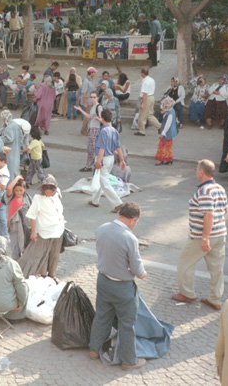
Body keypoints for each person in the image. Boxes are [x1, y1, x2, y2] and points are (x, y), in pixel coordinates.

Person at [88, 202, 147, 370]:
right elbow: (137, 269)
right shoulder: (129, 238)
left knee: (102, 316)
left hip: (103, 281)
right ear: (132, 219)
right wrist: (144, 274)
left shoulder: (102, 228)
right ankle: (129, 360)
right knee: (127, 324)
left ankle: (94, 349)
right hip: (122, 287)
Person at [172, 159, 228, 310]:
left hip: (201, 236)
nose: (196, 172)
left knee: (185, 261)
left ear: (201, 172)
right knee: (216, 268)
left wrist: (205, 238)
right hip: (220, 233)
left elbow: (208, 215)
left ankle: (187, 293)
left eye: (197, 169)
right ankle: (215, 298)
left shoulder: (204, 191)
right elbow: (224, 211)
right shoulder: (219, 188)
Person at [18, 174, 65, 279]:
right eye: (46, 190)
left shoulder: (57, 194)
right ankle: (43, 274)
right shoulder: (38, 197)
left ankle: (52, 274)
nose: (48, 192)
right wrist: (33, 232)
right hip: (44, 231)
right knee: (42, 254)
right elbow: (32, 215)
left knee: (55, 254)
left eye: (50, 190)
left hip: (58, 230)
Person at [88, 108, 126, 210]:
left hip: (103, 158)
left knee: (104, 182)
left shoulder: (103, 131)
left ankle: (117, 203)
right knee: (100, 179)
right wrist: (122, 160)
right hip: (111, 158)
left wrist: (98, 161)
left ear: (102, 118)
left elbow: (102, 148)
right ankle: (95, 200)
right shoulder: (114, 130)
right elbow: (118, 147)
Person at [3, 175, 32, 261]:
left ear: (24, 189)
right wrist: (17, 178)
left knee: (27, 249)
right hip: (14, 228)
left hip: (27, 227)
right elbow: (8, 189)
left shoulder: (28, 198)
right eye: (16, 190)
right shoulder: (11, 198)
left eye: (21, 190)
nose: (19, 192)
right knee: (15, 250)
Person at [75, 91, 103, 172]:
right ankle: (89, 165)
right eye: (91, 97)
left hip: (96, 129)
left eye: (94, 97)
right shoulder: (93, 107)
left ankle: (95, 165)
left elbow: (102, 119)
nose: (92, 99)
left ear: (97, 98)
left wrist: (98, 119)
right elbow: (89, 117)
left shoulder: (99, 107)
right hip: (92, 129)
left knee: (94, 148)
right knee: (90, 148)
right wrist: (80, 110)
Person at [134, 67, 161, 136]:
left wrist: (142, 103)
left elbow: (144, 93)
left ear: (142, 74)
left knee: (142, 115)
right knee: (149, 114)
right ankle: (160, 126)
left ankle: (142, 130)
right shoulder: (151, 80)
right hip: (152, 97)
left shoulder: (145, 82)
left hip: (147, 98)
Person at [154, 96, 179, 166]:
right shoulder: (171, 111)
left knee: (163, 146)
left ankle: (160, 160)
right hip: (170, 133)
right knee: (168, 146)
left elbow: (168, 125)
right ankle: (168, 159)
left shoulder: (170, 113)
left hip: (167, 133)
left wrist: (163, 133)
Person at [0, 110, 23, 181]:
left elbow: (9, 138)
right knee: (15, 168)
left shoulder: (9, 127)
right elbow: (21, 137)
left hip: (10, 151)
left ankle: (10, 186)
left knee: (10, 169)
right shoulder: (16, 125)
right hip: (16, 150)